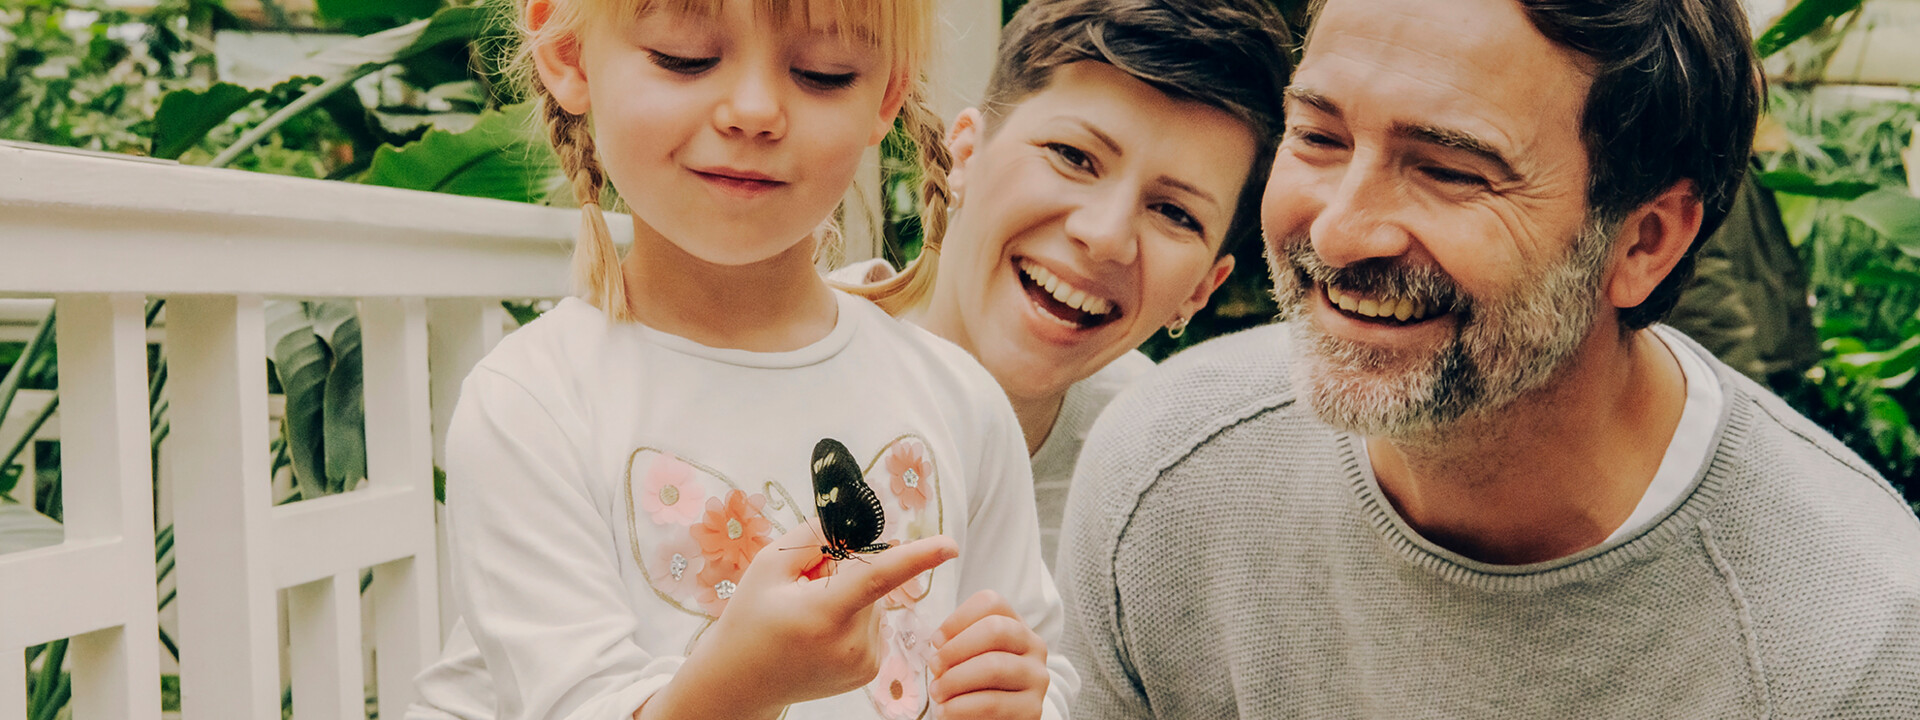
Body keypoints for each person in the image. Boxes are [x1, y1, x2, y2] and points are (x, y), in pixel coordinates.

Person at [1058, 0, 1920, 716]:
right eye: (1318, 137)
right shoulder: (1171, 477)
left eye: (1448, 171)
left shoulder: (1850, 646)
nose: (1337, 230)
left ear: (1644, 242)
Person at [408, 1, 1074, 719]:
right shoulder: (533, 405)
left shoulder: (959, 400)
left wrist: (1023, 698)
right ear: (570, 52)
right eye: (684, 56)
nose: (754, 111)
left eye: (824, 73)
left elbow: (1039, 661)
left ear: (886, 94)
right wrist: (740, 682)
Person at [831, 0, 1291, 565]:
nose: (1105, 236)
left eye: (1175, 213)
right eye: (1073, 156)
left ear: (1201, 288)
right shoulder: (759, 365)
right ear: (967, 154)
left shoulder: (1168, 486)